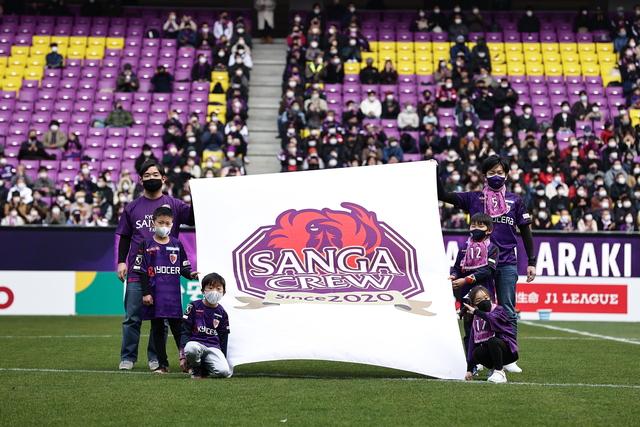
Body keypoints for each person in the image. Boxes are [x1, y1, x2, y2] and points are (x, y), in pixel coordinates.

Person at [436, 156, 536, 352]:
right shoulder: (473, 198)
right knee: (475, 309)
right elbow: (442, 195)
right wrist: (435, 171)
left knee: (508, 310)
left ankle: (509, 356)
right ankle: (478, 355)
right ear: (484, 175)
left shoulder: (516, 201)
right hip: (479, 266)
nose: (496, 176)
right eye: (491, 173)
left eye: (500, 172)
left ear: (506, 175)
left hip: (506, 262)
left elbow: (526, 231)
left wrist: (531, 261)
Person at [116, 160, 195, 371]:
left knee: (161, 320)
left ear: (163, 178)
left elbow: (193, 218)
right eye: (147, 175)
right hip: (137, 272)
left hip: (164, 274)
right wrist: (121, 261)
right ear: (140, 180)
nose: (151, 178)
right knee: (132, 318)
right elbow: (125, 236)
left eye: (155, 174)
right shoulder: (132, 207)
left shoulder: (175, 205)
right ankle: (128, 358)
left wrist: (196, 193)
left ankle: (155, 358)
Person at [131, 206, 199, 373]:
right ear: (153, 223)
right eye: (160, 222)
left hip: (173, 297)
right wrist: (146, 293)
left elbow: (183, 268)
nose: (164, 226)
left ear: (172, 224)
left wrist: (190, 275)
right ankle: (162, 365)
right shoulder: (146, 244)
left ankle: (187, 362)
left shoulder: (177, 244)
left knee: (179, 330)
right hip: (155, 296)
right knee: (158, 330)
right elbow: (141, 271)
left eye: (167, 223)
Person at [450, 213, 499, 354]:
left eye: (480, 226)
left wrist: (465, 279)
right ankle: (471, 362)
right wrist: (454, 275)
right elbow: (457, 267)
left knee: (487, 330)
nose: (476, 228)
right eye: (473, 225)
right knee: (469, 330)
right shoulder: (464, 248)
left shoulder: (492, 248)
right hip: (467, 296)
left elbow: (488, 270)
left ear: (489, 230)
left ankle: (489, 360)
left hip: (484, 295)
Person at [180, 272, 232, 379]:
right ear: (203, 290)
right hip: (196, 344)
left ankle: (205, 367)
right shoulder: (193, 306)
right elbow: (185, 331)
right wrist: (183, 357)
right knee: (191, 348)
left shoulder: (222, 312)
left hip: (213, 347)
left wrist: (222, 357)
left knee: (224, 372)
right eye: (210, 288)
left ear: (224, 292)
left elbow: (223, 337)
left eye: (218, 288)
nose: (214, 291)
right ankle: (196, 368)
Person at [463, 285, 519, 383]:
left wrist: (476, 312)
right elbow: (472, 344)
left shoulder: (499, 310)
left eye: (486, 298)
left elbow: (492, 318)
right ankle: (494, 368)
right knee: (477, 352)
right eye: (479, 300)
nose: (484, 301)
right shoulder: (476, 319)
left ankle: (500, 372)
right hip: (492, 352)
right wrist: (469, 370)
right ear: (474, 304)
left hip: (508, 352)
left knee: (493, 341)